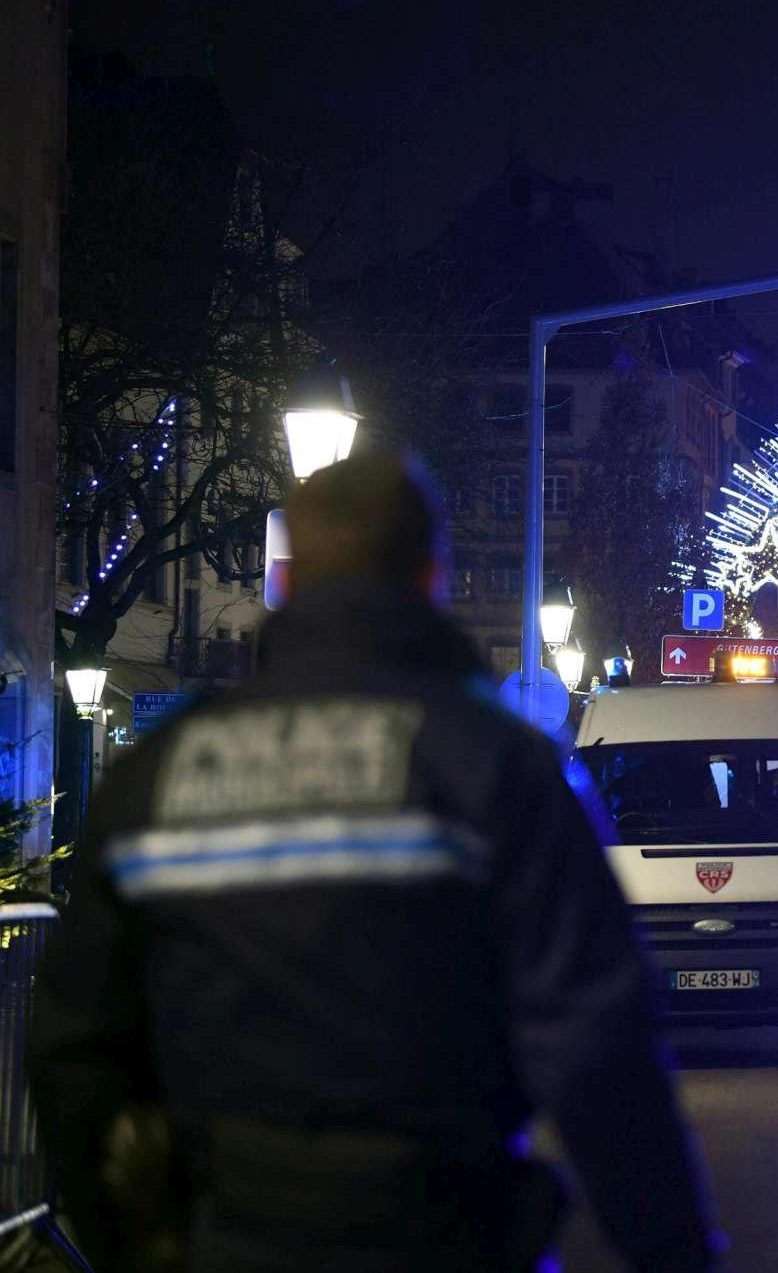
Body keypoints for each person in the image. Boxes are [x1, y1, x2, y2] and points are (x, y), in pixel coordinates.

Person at [31, 454, 723, 1269]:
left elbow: (75, 1049)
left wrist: (134, 1245)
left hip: (229, 1230)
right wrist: (674, 1249)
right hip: (442, 1231)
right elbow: (599, 1045)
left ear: (292, 577)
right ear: (433, 574)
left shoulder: (160, 773)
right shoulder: (496, 765)